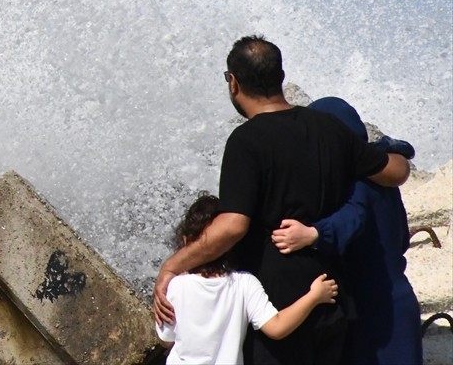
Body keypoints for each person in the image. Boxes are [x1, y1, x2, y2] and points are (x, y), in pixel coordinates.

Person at [153, 35, 411, 365]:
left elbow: (233, 225)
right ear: (281, 77)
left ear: (234, 82)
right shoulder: (329, 128)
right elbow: (395, 172)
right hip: (328, 292)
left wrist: (173, 265)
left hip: (275, 304)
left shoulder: (246, 141)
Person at [270, 96, 422, 365]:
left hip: (374, 311)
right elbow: (400, 239)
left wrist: (314, 234)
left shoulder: (357, 182)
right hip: (397, 298)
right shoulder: (384, 180)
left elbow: (354, 216)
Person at [156, 193, 339, 365]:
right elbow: (277, 328)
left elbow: (166, 339)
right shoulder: (243, 284)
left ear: (186, 243)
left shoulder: (176, 286)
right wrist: (314, 296)